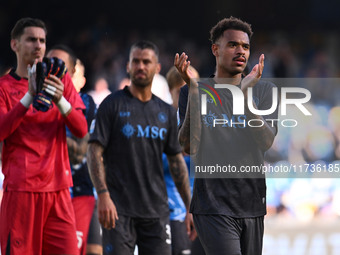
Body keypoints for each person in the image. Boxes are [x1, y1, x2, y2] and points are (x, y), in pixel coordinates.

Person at [175, 17, 278, 255]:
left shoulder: (264, 91)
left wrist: (243, 96)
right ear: (215, 49)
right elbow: (188, 146)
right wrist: (192, 91)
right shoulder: (193, 91)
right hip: (212, 205)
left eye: (245, 46)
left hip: (252, 206)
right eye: (233, 45)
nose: (240, 51)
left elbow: (266, 141)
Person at [87, 40, 195, 255]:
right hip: (118, 211)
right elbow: (94, 152)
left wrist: (189, 207)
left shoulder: (165, 112)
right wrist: (103, 194)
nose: (141, 66)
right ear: (128, 66)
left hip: (156, 212)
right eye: (135, 61)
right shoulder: (111, 104)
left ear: (156, 68)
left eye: (146, 62)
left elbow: (176, 163)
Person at [0, 17, 87, 255]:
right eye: (31, 39)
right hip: (21, 191)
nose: (38, 45)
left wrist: (60, 100)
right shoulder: (3, 87)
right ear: (14, 45)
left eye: (42, 40)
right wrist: (29, 97)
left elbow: (81, 130)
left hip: (58, 190)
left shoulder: (61, 80)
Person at [47, 45, 103, 255]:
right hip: (44, 191)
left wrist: (46, 142)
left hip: (79, 190)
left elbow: (81, 149)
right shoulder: (35, 99)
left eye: (62, 67)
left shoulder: (85, 102)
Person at [164, 66, 205, 255]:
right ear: (171, 90)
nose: (188, 92)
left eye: (193, 86)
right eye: (183, 87)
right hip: (173, 210)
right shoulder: (163, 122)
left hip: (204, 211)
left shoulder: (206, 122)